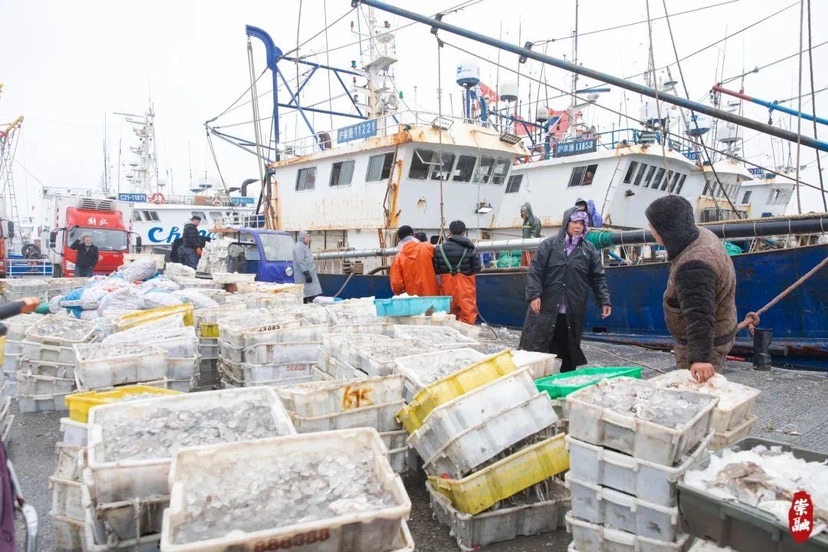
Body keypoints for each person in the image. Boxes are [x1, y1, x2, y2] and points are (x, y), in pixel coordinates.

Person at [645, 195, 744, 383]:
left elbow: (699, 315)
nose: (651, 231)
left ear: (666, 230)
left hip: (705, 345)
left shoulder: (694, 265)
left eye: (652, 227)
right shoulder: (700, 235)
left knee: (698, 396)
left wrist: (700, 359)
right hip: (718, 331)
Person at [518, 209, 612, 372]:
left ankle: (566, 377)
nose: (578, 227)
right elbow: (535, 271)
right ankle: (535, 376)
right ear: (566, 223)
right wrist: (534, 295)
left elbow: (597, 277)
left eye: (581, 223)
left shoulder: (589, 250)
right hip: (546, 307)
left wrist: (604, 300)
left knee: (569, 346)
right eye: (574, 222)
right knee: (537, 344)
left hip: (572, 308)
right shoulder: (548, 245)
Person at [433, 220, 482, 324]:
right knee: (468, 316)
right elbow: (477, 267)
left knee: (447, 316)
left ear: (450, 231)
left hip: (446, 286)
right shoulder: (469, 248)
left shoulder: (439, 249)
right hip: (465, 287)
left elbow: (436, 269)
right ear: (464, 232)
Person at [390, 226, 439, 297]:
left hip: (411, 302)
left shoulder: (398, 257)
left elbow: (396, 284)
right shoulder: (428, 248)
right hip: (432, 298)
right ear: (413, 235)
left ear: (400, 238)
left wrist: (403, 295)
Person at [293, 230, 322, 304]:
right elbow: (300, 261)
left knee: (310, 294)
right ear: (302, 237)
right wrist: (306, 273)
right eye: (307, 236)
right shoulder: (298, 247)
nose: (309, 238)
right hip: (303, 275)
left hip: (309, 273)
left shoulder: (305, 247)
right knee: (304, 294)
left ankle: (307, 303)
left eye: (309, 236)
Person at [520, 202, 542, 266]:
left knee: (531, 266)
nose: (522, 213)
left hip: (531, 250)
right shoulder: (525, 222)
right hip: (525, 249)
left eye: (523, 211)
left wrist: (528, 244)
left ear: (527, 211)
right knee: (523, 266)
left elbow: (534, 236)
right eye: (521, 212)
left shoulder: (535, 220)